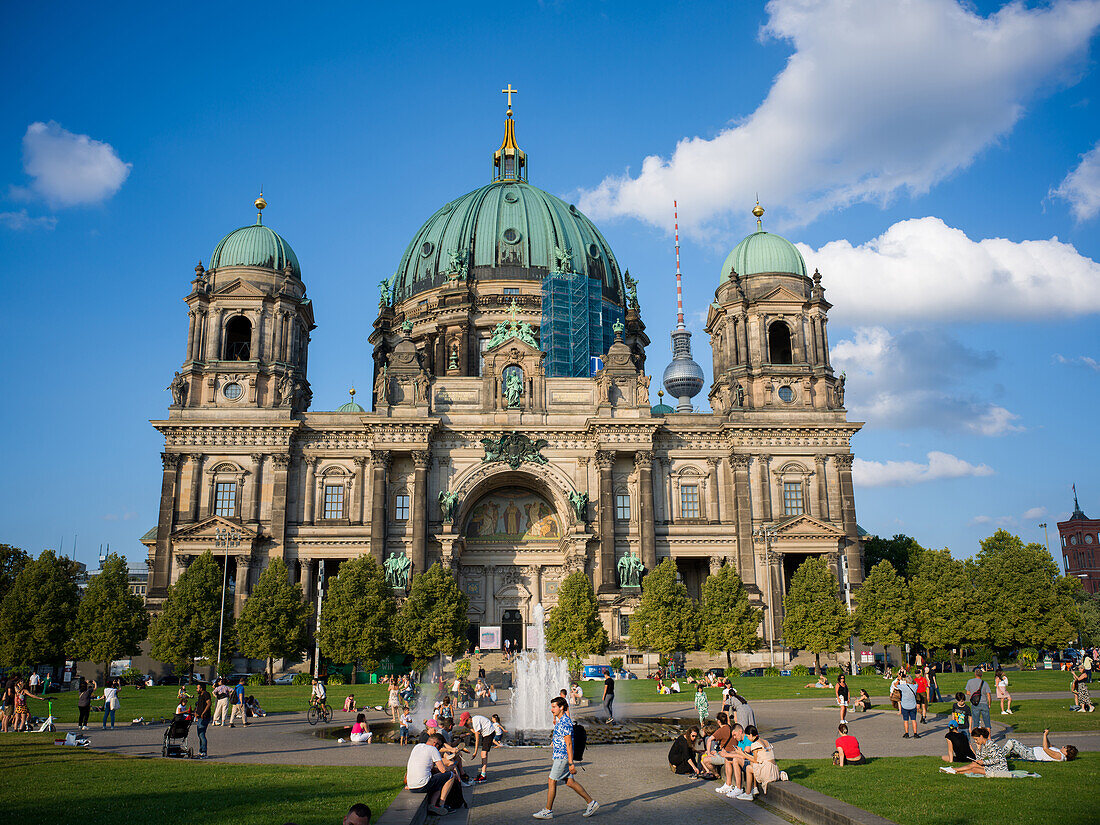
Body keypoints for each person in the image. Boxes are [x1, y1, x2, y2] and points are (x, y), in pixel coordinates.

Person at [532, 697, 598, 819]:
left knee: (552, 780)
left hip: (562, 757)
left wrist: (571, 763)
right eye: (551, 707)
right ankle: (591, 803)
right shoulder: (561, 720)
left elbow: (569, 743)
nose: (551, 709)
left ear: (561, 707)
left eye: (554, 707)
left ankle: (548, 810)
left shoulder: (565, 722)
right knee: (569, 782)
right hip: (561, 756)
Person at [405, 732, 462, 817]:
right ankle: (441, 805)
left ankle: (432, 805)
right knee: (450, 775)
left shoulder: (417, 747)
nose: (439, 749)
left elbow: (432, 769)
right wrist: (452, 767)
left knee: (438, 780)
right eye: (440, 746)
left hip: (412, 786)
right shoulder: (433, 749)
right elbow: (443, 770)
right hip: (422, 785)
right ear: (435, 744)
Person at [944, 728, 1009, 777]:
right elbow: (979, 759)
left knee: (975, 769)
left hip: (1000, 769)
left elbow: (997, 760)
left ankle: (955, 772)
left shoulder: (991, 745)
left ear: (981, 736)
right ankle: (953, 769)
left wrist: (983, 762)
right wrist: (978, 749)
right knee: (974, 764)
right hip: (993, 766)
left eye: (976, 739)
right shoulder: (985, 745)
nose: (976, 741)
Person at [741, 725, 782, 797]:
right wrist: (743, 753)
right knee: (752, 764)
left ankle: (748, 793)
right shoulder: (765, 741)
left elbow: (755, 761)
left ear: (751, 735)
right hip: (774, 769)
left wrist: (742, 754)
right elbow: (757, 758)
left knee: (748, 768)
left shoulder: (755, 744)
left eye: (747, 736)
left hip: (767, 771)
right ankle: (754, 788)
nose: (747, 738)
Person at [1001, 729, 1079, 762]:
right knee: (1014, 746)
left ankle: (999, 757)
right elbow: (1050, 746)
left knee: (1012, 742)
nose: (1063, 747)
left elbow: (1045, 749)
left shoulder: (1060, 756)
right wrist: (1047, 736)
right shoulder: (1060, 754)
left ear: (1067, 753)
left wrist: (1044, 735)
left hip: (1031, 755)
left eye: (1065, 748)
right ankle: (1010, 756)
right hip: (1031, 752)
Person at [460, 712, 497, 782]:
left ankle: (483, 775)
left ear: (468, 719)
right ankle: (483, 774)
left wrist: (475, 752)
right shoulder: (474, 719)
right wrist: (468, 726)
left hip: (489, 733)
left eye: (465, 722)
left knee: (483, 754)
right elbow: (475, 732)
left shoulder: (475, 721)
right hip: (486, 733)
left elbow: (477, 738)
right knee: (484, 754)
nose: (466, 724)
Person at [897, 672, 919, 739]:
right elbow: (916, 683)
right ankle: (915, 733)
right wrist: (913, 680)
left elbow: (896, 685)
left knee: (906, 720)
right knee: (913, 720)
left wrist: (899, 679)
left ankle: (907, 733)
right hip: (913, 705)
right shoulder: (915, 687)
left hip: (905, 706)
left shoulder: (904, 687)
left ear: (906, 681)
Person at [194, 682, 211, 758]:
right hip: (199, 717)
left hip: (204, 717)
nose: (197, 689)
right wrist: (196, 712)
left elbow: (209, 703)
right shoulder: (200, 696)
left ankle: (204, 751)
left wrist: (203, 713)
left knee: (202, 734)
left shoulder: (206, 694)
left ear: (201, 688)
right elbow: (199, 705)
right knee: (200, 734)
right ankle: (201, 751)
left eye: (198, 688)